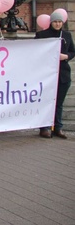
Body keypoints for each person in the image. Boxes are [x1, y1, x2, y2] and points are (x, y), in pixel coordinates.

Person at [35, 11, 75, 139]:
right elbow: (34, 50)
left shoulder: (67, 35)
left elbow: (72, 51)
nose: (57, 24)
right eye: (55, 22)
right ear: (51, 22)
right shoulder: (42, 35)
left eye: (59, 22)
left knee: (59, 102)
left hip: (63, 73)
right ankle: (44, 127)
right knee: (46, 100)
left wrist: (67, 56)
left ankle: (58, 127)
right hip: (47, 73)